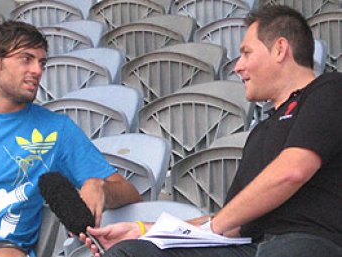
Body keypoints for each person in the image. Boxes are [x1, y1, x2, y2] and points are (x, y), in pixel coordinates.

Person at [80, 5, 342, 257]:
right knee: (131, 252)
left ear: (280, 49)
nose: (238, 66)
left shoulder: (329, 89)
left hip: (308, 243)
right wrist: (143, 231)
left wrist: (215, 226)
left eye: (246, 53)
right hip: (251, 247)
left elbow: (292, 172)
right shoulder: (260, 132)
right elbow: (229, 222)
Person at [0, 21, 141, 257]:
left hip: (1, 249)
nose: (37, 70)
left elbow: (129, 192)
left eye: (41, 62)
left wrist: (101, 187)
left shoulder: (57, 130)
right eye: (26, 59)